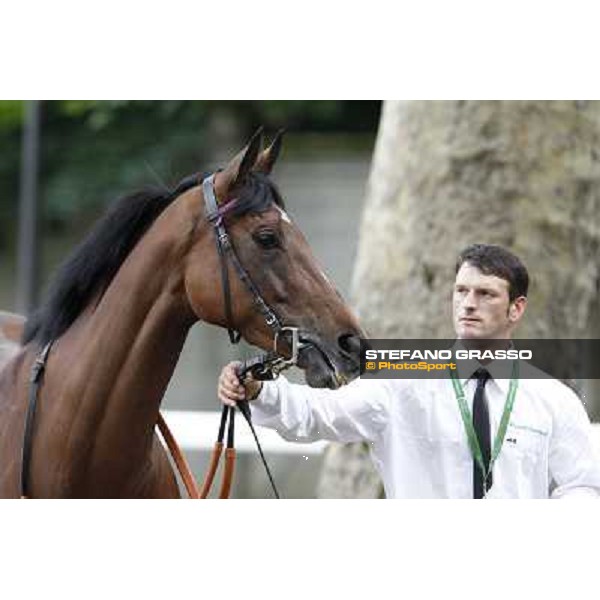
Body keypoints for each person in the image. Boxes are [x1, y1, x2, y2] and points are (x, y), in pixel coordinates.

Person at [218, 244, 600, 498]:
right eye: (461, 291)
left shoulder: (554, 399)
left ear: (516, 309)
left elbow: (584, 487)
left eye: (485, 294)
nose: (468, 304)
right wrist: (259, 391)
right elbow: (318, 415)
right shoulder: (402, 379)